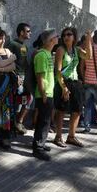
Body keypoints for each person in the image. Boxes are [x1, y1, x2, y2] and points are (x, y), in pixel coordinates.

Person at [53, 28, 92, 148]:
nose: (66, 37)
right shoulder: (60, 50)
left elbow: (88, 56)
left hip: (75, 83)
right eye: (64, 35)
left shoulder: (77, 50)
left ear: (74, 36)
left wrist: (89, 39)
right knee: (61, 110)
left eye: (69, 34)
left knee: (77, 110)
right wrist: (64, 87)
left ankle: (71, 136)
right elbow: (58, 71)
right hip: (63, 82)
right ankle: (58, 137)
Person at [32, 29, 58, 161]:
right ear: (49, 40)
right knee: (43, 121)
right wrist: (43, 94)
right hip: (44, 94)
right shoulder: (41, 55)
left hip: (49, 92)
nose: (58, 38)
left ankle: (40, 143)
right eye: (56, 37)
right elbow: (40, 77)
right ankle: (38, 148)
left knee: (46, 121)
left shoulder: (48, 53)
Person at [6, 23, 33, 134]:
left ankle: (19, 122)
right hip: (15, 79)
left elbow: (24, 63)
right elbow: (8, 61)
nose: (30, 33)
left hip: (24, 79)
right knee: (14, 103)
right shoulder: (12, 44)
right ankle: (11, 126)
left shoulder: (25, 46)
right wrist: (15, 76)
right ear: (21, 32)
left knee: (29, 98)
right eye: (28, 31)